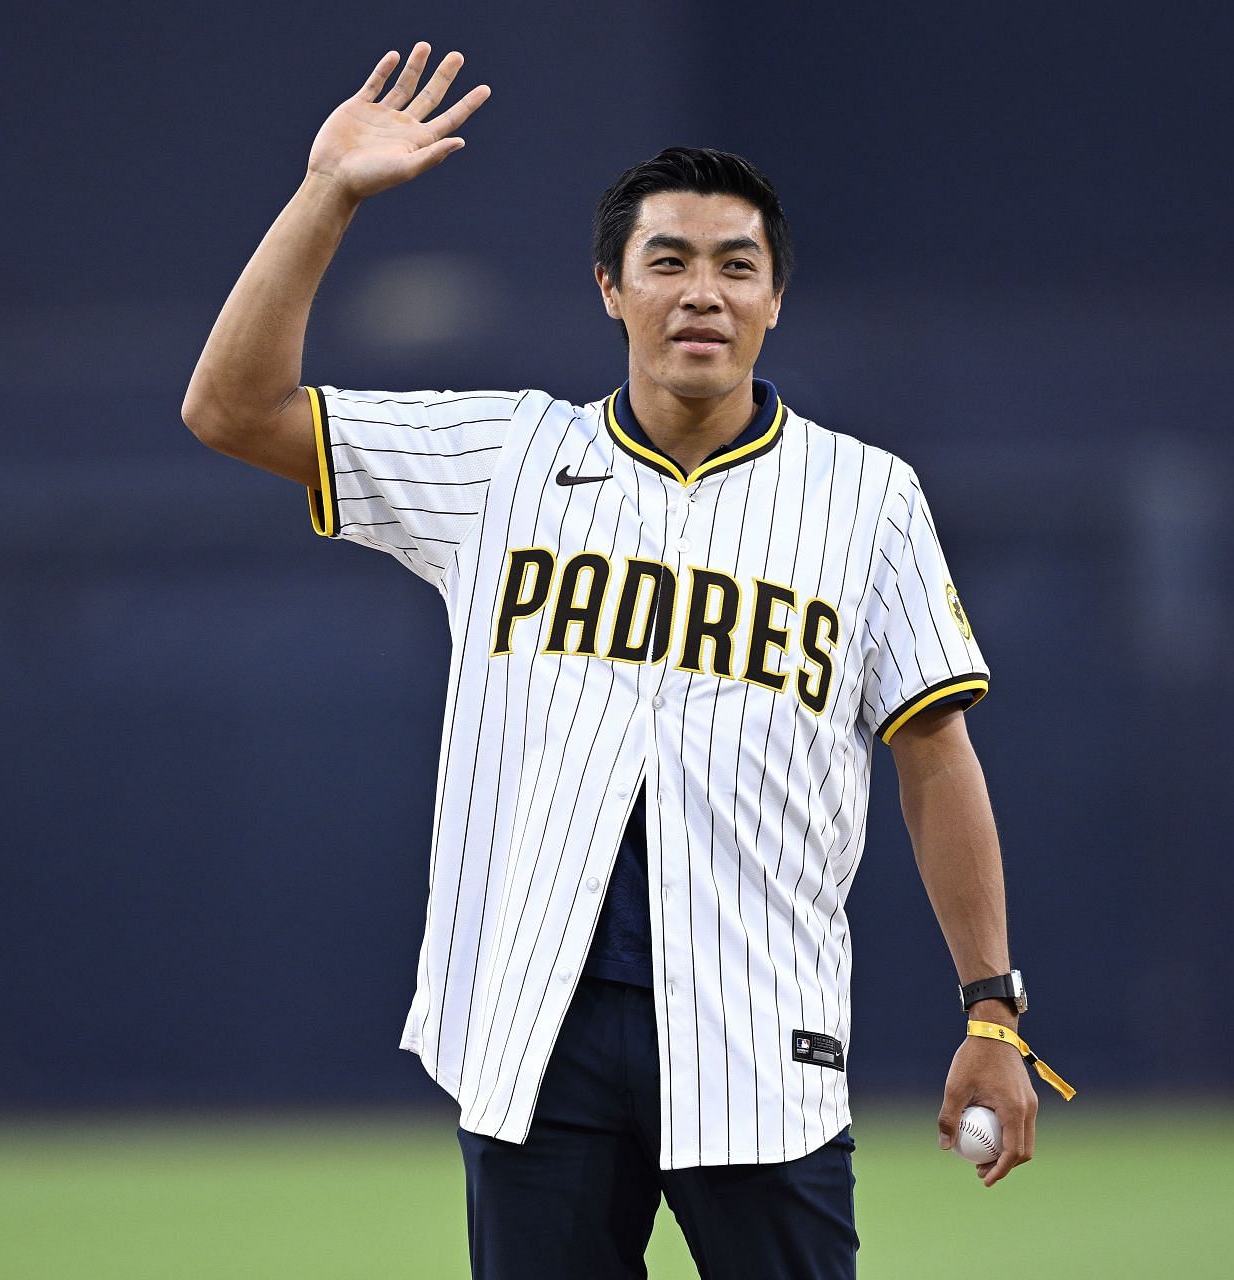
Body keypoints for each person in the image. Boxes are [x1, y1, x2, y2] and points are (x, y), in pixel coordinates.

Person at [181, 42, 1069, 1280]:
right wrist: (325, 194)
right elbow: (229, 408)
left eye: (735, 265)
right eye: (668, 261)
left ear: (773, 301)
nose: (701, 290)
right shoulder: (502, 461)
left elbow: (934, 748)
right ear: (611, 287)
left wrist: (991, 1005)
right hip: (539, 1030)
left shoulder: (867, 499)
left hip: (762, 1029)